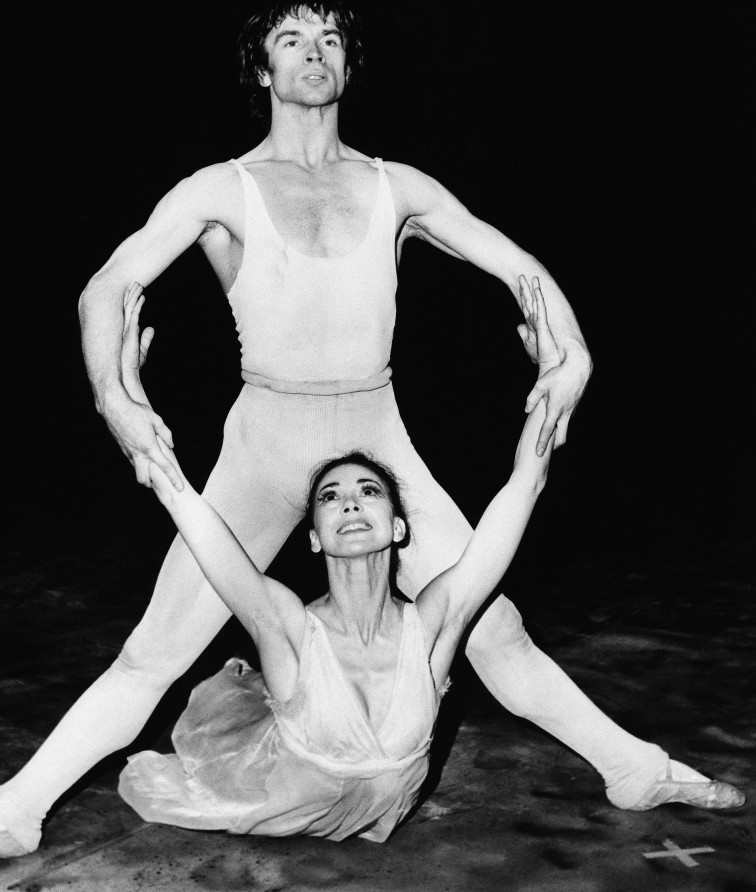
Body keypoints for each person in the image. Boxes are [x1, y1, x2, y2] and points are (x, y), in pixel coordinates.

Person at [0, 0, 742, 872]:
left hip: (374, 435)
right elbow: (106, 289)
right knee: (153, 651)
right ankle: (15, 812)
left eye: (331, 39)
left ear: (346, 68)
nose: (315, 52)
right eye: (292, 39)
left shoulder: (397, 186)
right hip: (267, 442)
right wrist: (116, 397)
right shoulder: (219, 188)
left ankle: (633, 770)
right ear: (262, 70)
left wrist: (572, 356)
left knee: (497, 631)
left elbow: (520, 267)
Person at [117, 275, 558, 840]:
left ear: (398, 527)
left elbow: (524, 486)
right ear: (315, 537)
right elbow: (186, 505)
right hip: (287, 799)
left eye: (369, 490)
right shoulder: (285, 623)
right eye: (330, 496)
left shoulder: (434, 619)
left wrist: (552, 379)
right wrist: (130, 399)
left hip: (385, 804)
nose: (350, 501)